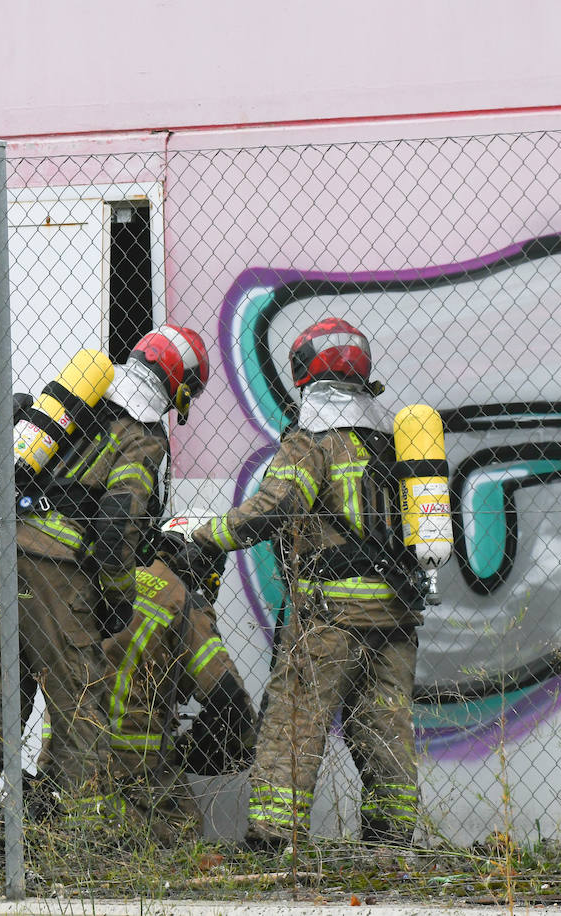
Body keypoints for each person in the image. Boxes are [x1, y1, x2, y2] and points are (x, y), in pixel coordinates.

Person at [0, 325, 210, 846]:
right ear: (178, 387)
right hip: (52, 566)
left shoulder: (80, 399)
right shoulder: (142, 435)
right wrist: (116, 597)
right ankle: (79, 848)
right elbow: (116, 526)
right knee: (82, 704)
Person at [190, 317, 423, 850]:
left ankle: (273, 841)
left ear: (305, 373)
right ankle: (390, 844)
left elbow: (275, 507)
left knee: (293, 718)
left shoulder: (314, 439)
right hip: (397, 612)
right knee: (384, 726)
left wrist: (205, 537)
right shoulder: (392, 440)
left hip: (333, 613)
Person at [35, 523, 256, 847]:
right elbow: (227, 696)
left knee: (75, 830)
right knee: (183, 836)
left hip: (64, 750)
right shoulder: (181, 600)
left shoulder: (106, 578)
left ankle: (65, 831)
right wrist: (244, 744)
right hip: (133, 764)